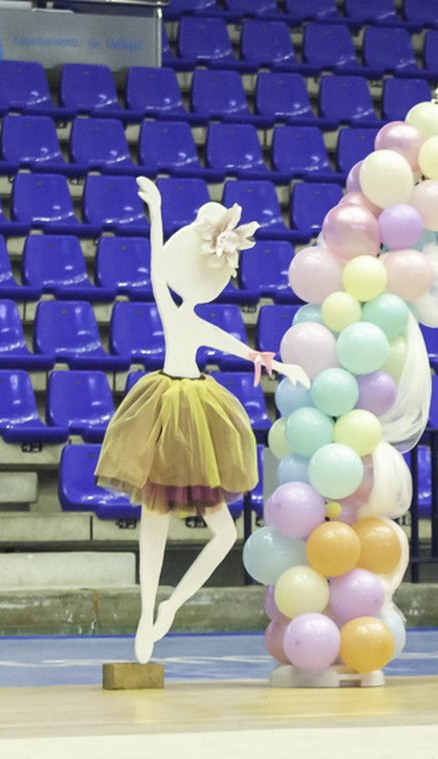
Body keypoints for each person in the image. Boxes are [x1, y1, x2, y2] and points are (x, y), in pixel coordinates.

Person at [97, 177, 309, 663]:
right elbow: (156, 274)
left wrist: (282, 366)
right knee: (166, 522)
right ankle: (151, 613)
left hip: (187, 411)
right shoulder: (182, 318)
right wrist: (156, 212)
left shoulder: (188, 320)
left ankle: (164, 607)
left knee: (206, 529)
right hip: (174, 410)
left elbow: (243, 349)